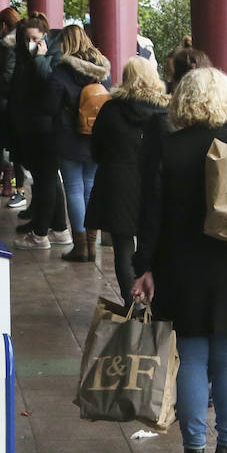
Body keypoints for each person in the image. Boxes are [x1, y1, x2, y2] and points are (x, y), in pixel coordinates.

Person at [131, 68, 227, 453]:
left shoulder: (167, 148)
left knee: (190, 359)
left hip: (181, 264)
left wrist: (145, 266)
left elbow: (150, 214)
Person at [86, 57, 169, 299]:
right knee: (155, 243)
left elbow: (96, 150)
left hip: (118, 183)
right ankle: (155, 297)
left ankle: (131, 303)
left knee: (123, 247)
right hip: (155, 185)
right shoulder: (166, 112)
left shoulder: (111, 109)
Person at [50, 24, 112, 261]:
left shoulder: (61, 71)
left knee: (74, 189)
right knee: (90, 187)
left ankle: (81, 246)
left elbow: (50, 105)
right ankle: (92, 246)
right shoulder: (103, 70)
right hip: (98, 137)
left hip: (69, 138)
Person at [10, 18, 70, 250]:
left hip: (45, 129)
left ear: (45, 36)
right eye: (27, 39)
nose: (31, 43)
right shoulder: (26, 57)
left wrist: (41, 58)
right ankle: (59, 229)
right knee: (49, 179)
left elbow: (48, 83)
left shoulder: (51, 57)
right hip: (33, 127)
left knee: (47, 180)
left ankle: (41, 234)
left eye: (35, 38)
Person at [0, 8, 27, 209]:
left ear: (3, 25)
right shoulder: (18, 42)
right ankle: (12, 190)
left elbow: (6, 75)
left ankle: (11, 190)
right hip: (12, 103)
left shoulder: (9, 46)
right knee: (6, 147)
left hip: (7, 102)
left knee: (5, 147)